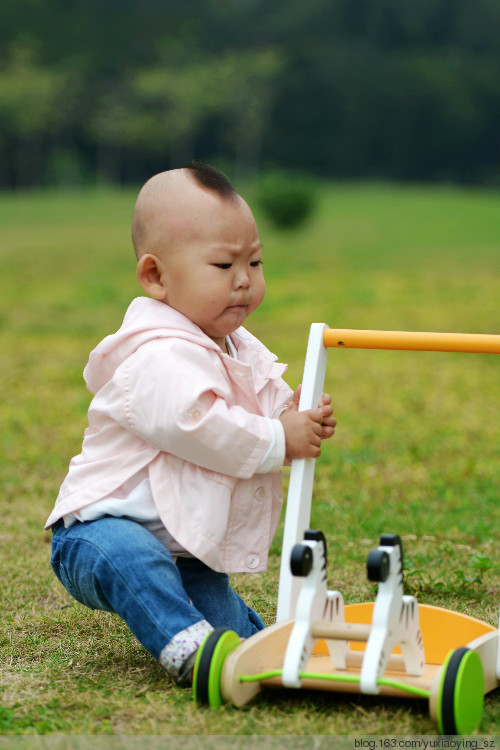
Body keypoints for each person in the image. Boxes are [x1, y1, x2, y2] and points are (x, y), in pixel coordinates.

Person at [45, 162, 336, 685]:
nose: (245, 280)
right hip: (100, 534)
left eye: (255, 261)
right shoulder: (154, 356)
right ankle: (187, 652)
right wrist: (276, 439)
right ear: (156, 276)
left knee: (235, 638)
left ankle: (248, 646)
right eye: (224, 265)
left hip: (185, 549)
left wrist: (292, 419)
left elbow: (262, 407)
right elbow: (197, 425)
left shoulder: (237, 346)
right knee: (133, 557)